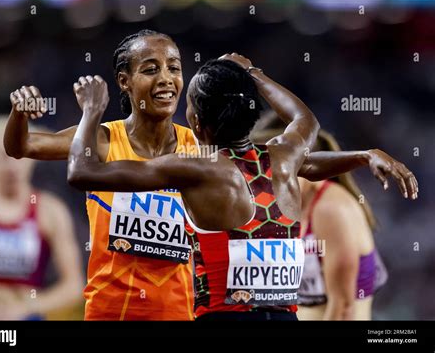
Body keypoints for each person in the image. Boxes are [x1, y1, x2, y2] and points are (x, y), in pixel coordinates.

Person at [67, 54, 417, 321]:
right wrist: (253, 73)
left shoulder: (190, 168)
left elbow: (81, 172)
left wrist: (91, 113)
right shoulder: (283, 158)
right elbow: (305, 121)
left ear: (196, 123)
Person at [5, 30, 198, 320]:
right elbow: (21, 146)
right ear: (124, 81)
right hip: (110, 312)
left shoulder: (197, 147)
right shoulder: (103, 139)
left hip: (178, 312)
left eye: (174, 67)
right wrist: (19, 112)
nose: (165, 79)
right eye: (150, 69)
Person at [251, 116, 394, 320]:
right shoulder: (273, 208)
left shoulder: (332, 209)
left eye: (276, 173)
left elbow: (344, 309)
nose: (265, 184)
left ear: (305, 166)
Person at [0, 116, 83, 320]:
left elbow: (74, 285)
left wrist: (27, 307)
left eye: (21, 155)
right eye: (4, 155)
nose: (13, 166)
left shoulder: (50, 211)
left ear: (33, 155)